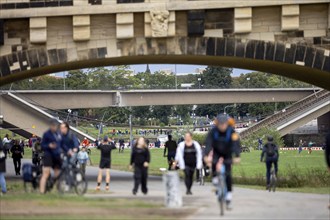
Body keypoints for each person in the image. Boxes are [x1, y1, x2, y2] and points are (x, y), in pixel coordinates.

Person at [204, 114, 241, 209]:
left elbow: (236, 144)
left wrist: (237, 156)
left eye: (224, 124)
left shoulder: (232, 132)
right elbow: (208, 144)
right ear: (217, 124)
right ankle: (215, 179)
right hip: (217, 152)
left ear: (227, 124)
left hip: (228, 153)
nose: (222, 126)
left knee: (228, 174)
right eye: (220, 124)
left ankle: (228, 195)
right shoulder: (213, 132)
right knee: (214, 163)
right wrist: (206, 155)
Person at [40, 119, 62, 194]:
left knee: (58, 174)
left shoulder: (58, 134)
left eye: (56, 125)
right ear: (51, 126)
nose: (54, 127)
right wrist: (49, 145)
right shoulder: (46, 134)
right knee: (46, 173)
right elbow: (42, 145)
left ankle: (57, 190)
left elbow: (61, 144)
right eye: (53, 125)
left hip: (56, 155)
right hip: (48, 155)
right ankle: (42, 191)